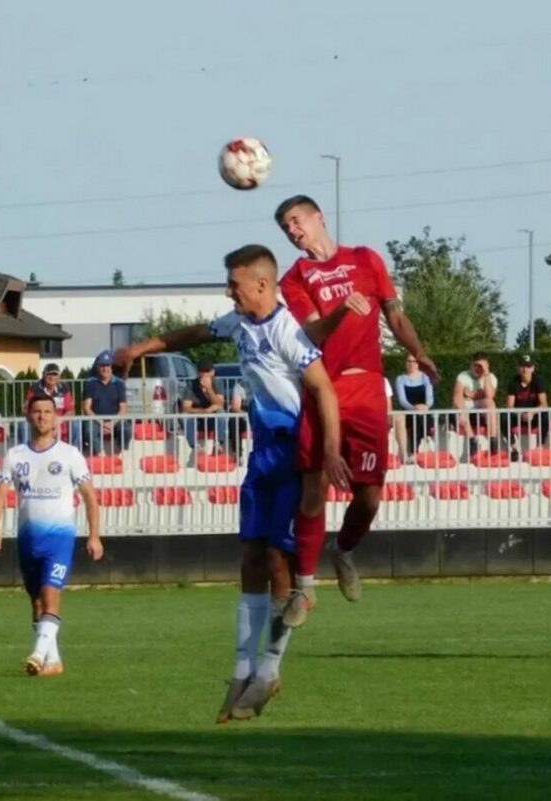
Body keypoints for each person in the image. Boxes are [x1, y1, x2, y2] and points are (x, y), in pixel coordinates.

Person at [114, 244, 359, 722]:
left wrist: (329, 451)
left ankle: (268, 669)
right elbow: (196, 333)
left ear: (262, 285)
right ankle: (243, 669)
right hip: (261, 455)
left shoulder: (287, 330)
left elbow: (324, 388)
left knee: (276, 559)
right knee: (250, 555)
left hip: (292, 452)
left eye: (234, 283)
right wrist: (143, 347)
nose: (229, 291)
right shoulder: (239, 323)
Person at [276, 195, 438, 616]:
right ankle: (304, 588)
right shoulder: (295, 278)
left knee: (369, 498)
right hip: (322, 387)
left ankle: (344, 550)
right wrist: (343, 312)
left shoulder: (366, 259)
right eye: (286, 228)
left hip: (365, 391)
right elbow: (312, 333)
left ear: (319, 217)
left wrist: (418, 352)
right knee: (314, 492)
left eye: (296, 221)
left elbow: (395, 316)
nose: (293, 231)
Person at [0, 392, 103, 677]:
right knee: (36, 602)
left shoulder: (69, 454)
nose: (42, 416)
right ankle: (53, 661)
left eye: (47, 412)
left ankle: (38, 654)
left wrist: (94, 535)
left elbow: (89, 495)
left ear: (56, 418)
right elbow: (0, 494)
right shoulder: (15, 456)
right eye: (37, 411)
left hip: (59, 539)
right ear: (28, 415)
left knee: (51, 596)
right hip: (28, 540)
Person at [81, 351, 132, 456]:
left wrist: (112, 423)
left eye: (107, 365)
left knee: (127, 429)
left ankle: (119, 453)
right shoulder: (90, 383)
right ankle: (101, 455)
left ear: (111, 366)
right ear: (98, 367)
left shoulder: (119, 383)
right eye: (102, 365)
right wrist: (102, 423)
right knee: (89, 430)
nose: (105, 369)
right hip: (95, 420)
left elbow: (123, 408)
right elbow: (87, 408)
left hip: (115, 420)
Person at [16, 363, 80, 446]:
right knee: (23, 424)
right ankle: (23, 452)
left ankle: (74, 451)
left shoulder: (64, 389)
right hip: (40, 423)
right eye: (49, 374)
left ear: (59, 377)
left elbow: (71, 411)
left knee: (75, 422)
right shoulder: (35, 389)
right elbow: (25, 409)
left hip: (60, 424)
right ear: (43, 375)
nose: (52, 377)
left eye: (55, 374)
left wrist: (59, 420)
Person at [452, 352, 501, 458]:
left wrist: (486, 374)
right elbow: (457, 396)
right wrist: (462, 411)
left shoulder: (491, 377)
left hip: (481, 410)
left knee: (490, 402)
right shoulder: (463, 375)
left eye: (481, 366)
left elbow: (489, 395)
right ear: (471, 365)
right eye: (475, 365)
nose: (477, 368)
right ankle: (472, 440)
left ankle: (493, 441)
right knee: (461, 406)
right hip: (467, 409)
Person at [178, 360, 229, 459]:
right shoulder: (191, 384)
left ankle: (218, 444)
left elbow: (220, 404)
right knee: (185, 416)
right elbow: (186, 407)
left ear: (212, 372)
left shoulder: (217, 382)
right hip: (197, 419)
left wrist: (209, 389)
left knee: (221, 413)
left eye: (207, 371)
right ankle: (195, 446)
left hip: (213, 419)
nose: (204, 374)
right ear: (198, 372)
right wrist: (205, 411)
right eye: (202, 371)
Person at [502, 354, 549, 462]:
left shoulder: (538, 381)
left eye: (528, 366)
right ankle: (514, 448)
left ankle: (539, 447)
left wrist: (532, 412)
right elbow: (509, 406)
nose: (525, 369)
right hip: (518, 416)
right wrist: (520, 414)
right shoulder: (513, 381)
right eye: (523, 366)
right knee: (503, 417)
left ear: (533, 368)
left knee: (546, 416)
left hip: (534, 416)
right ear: (518, 368)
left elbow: (544, 404)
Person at [394, 353, 435, 462]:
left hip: (424, 411)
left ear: (418, 364)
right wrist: (414, 408)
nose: (412, 364)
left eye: (414, 361)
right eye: (409, 361)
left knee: (420, 417)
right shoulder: (400, 379)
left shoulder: (425, 378)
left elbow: (430, 397)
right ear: (406, 364)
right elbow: (402, 400)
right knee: (415, 418)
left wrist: (425, 407)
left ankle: (415, 450)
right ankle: (426, 438)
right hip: (408, 412)